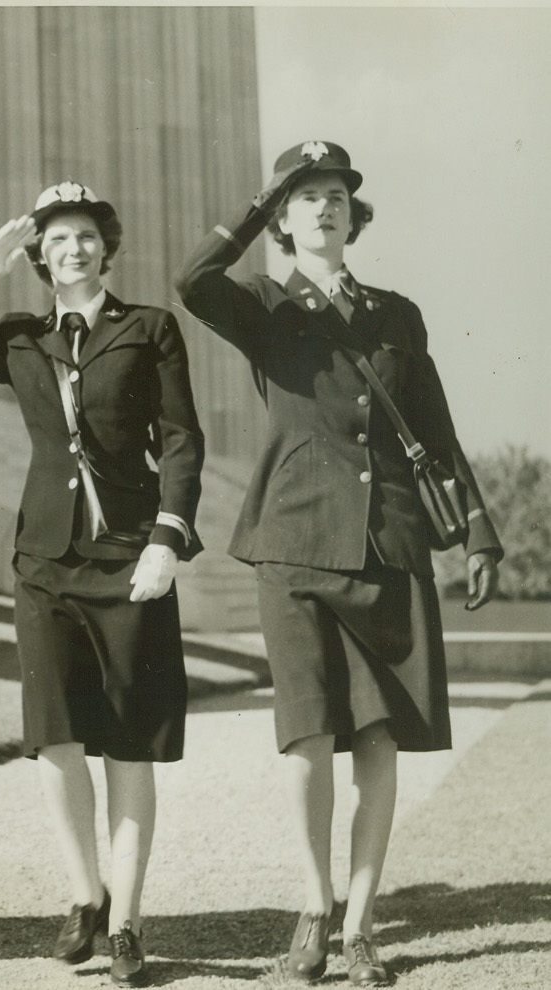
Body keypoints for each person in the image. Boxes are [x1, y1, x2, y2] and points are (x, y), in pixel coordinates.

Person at [174, 141, 503, 986]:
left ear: (354, 215)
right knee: (308, 736)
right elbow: (191, 279)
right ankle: (315, 906)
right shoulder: (260, 305)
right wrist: (258, 201)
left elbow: (434, 427)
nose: (324, 207)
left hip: (388, 543)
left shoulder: (397, 313)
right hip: (291, 542)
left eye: (335, 195)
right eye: (305, 196)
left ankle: (361, 925)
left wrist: (477, 530)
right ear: (282, 219)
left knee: (380, 735)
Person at [0, 182, 204, 986]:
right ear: (36, 255)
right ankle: (86, 896)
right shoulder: (20, 338)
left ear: (106, 248)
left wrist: (167, 540)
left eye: (85, 235)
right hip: (44, 560)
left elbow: (181, 440)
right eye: (56, 239)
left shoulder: (148, 329)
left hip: (128, 558)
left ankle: (132, 922)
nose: (72, 249)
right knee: (55, 736)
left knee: (130, 743)